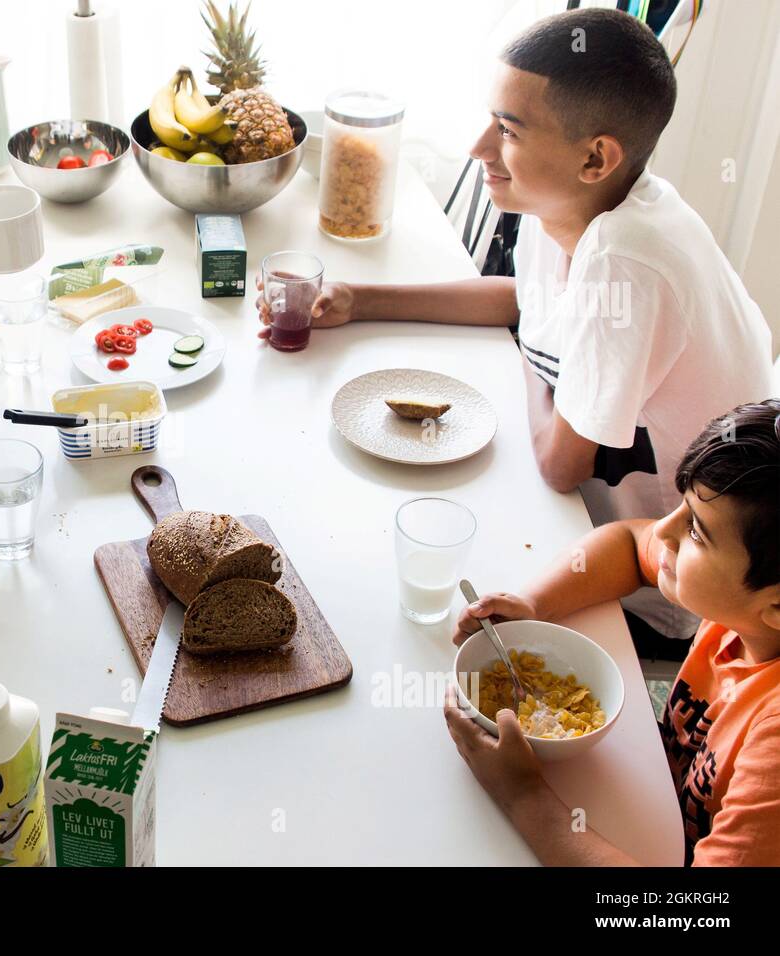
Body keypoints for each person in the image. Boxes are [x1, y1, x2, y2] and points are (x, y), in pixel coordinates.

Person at [259, 7, 774, 654]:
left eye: (507, 130)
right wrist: (357, 299)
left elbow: (562, 465)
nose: (479, 148)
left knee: (392, 590)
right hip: (587, 521)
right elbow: (521, 303)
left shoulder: (628, 260)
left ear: (596, 157)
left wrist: (526, 369)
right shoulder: (572, 198)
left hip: (661, 582)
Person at [445, 400, 780, 866]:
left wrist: (521, 794)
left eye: (697, 533)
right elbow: (626, 543)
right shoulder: (745, 610)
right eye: (681, 507)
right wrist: (535, 606)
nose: (664, 529)